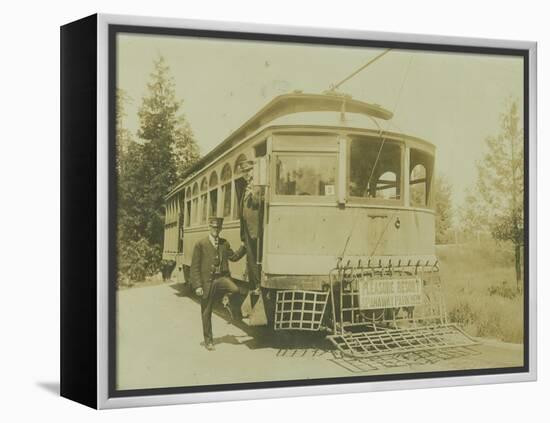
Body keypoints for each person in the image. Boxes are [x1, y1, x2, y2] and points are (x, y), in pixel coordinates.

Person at [190, 217, 245, 351]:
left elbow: (233, 257)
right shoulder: (200, 244)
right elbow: (195, 267)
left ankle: (225, 300)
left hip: (221, 279)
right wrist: (197, 286)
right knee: (206, 311)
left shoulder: (224, 244)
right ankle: (208, 341)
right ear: (209, 227)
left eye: (218, 228)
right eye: (214, 227)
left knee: (235, 290)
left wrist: (244, 247)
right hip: (207, 282)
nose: (216, 230)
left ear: (221, 229)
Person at [237, 160, 264, 294]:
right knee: (251, 258)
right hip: (247, 229)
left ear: (254, 170)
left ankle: (259, 285)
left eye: (248, 171)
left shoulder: (257, 186)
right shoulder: (246, 187)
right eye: (244, 172)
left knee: (255, 257)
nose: (246, 174)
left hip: (256, 229)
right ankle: (255, 286)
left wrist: (253, 190)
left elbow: (256, 203)